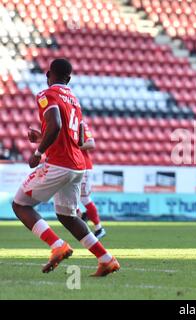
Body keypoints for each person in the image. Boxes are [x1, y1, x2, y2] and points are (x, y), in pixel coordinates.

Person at [12, 58, 120, 276]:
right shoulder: (75, 101)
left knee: (20, 205)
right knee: (67, 216)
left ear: (48, 74)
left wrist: (38, 152)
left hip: (58, 163)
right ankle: (106, 259)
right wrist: (43, 136)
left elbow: (57, 125)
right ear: (69, 79)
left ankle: (57, 245)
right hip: (78, 165)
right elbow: (76, 138)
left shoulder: (46, 95)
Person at [77, 120, 106, 239]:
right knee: (67, 194)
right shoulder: (64, 123)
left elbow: (91, 143)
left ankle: (98, 227)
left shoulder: (80, 124)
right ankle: (86, 219)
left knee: (82, 197)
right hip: (74, 166)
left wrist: (74, 147)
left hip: (83, 167)